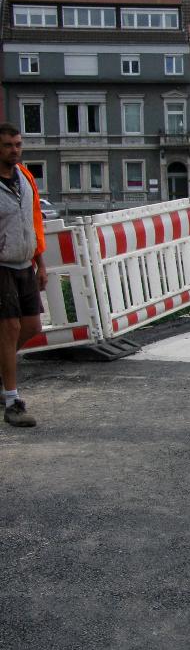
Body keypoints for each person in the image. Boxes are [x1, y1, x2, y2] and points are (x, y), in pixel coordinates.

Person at [0, 122, 47, 428]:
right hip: (1, 264)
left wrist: (41, 263)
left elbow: (34, 222)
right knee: (10, 328)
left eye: (18, 144)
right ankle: (12, 401)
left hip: (24, 262)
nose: (14, 150)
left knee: (32, 326)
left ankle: (4, 373)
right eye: (7, 145)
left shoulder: (25, 177)